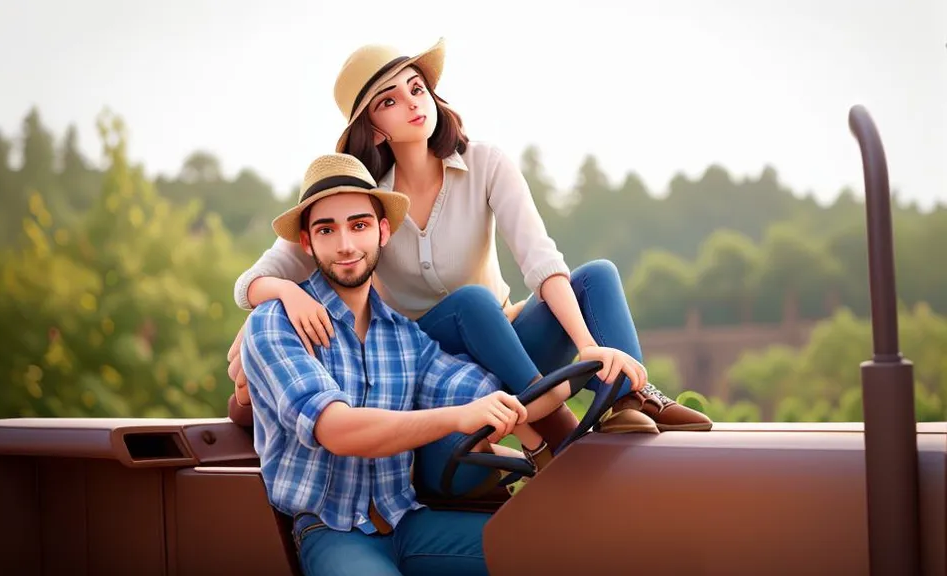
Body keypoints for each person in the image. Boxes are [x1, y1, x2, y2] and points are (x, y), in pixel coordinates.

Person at [228, 37, 711, 456]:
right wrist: (286, 296)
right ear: (373, 127)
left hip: (507, 344)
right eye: (391, 100)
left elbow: (541, 262)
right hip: (431, 363)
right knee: (472, 302)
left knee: (597, 274)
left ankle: (629, 395)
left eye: (417, 89)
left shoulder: (485, 164)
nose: (414, 103)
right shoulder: (361, 202)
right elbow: (253, 280)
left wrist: (590, 347)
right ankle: (549, 424)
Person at [242, 153, 575, 575]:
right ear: (307, 243)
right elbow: (338, 430)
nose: (345, 244)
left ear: (383, 231)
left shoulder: (405, 337)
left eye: (359, 225)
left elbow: (482, 394)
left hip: (409, 520)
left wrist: (561, 390)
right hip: (332, 532)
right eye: (327, 229)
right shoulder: (275, 323)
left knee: (555, 553)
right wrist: (458, 418)